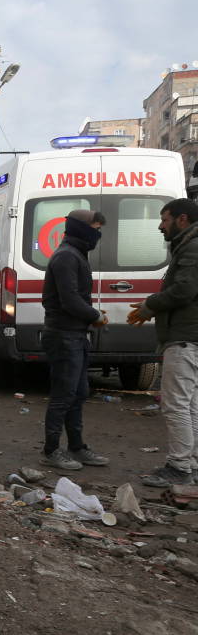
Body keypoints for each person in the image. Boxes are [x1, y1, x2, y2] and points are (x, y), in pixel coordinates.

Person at [128, 197, 198, 487]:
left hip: (184, 338)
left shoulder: (192, 247)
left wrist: (151, 305)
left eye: (165, 219)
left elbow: (183, 290)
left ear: (182, 219)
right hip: (190, 337)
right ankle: (189, 463)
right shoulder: (188, 245)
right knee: (190, 405)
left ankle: (180, 466)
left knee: (176, 405)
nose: (160, 226)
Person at [38, 210, 110, 471]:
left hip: (75, 334)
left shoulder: (75, 254)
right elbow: (69, 299)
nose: (98, 235)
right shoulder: (67, 256)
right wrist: (95, 315)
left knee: (78, 393)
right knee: (63, 395)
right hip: (63, 335)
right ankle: (51, 450)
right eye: (95, 228)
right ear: (80, 228)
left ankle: (77, 447)